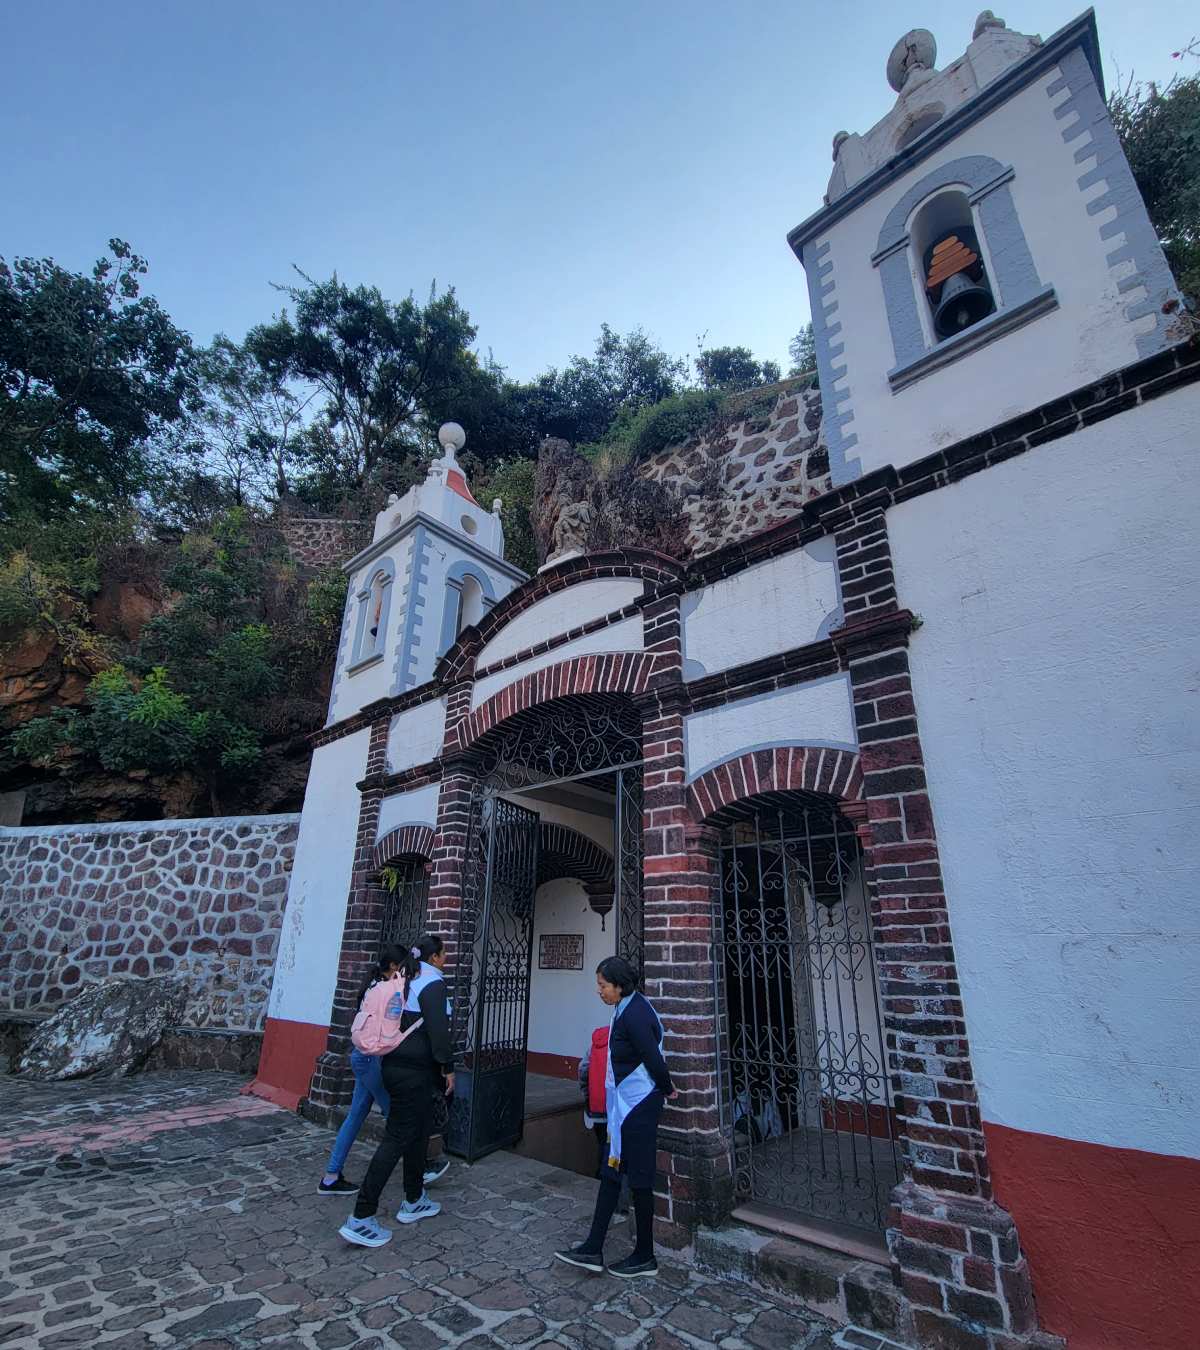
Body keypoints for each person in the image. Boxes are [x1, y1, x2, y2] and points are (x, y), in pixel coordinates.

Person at [556, 956, 675, 1278]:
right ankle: (593, 1247)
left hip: (639, 1104)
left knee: (639, 1178)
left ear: (619, 986)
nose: (599, 991)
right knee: (610, 1171)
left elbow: (652, 1055)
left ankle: (645, 1255)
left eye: (603, 985)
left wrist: (666, 1088)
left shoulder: (634, 1014)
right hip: (623, 1106)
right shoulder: (625, 1008)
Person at [338, 933, 455, 1248]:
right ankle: (361, 1216)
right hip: (415, 1073)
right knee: (396, 1138)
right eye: (444, 954)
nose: (446, 959)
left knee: (415, 1133)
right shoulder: (432, 985)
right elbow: (438, 1032)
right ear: (434, 957)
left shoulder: (403, 980)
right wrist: (448, 1066)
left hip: (394, 1065)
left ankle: (414, 1198)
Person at [317, 945, 405, 1195]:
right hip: (369, 1060)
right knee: (397, 1114)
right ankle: (421, 1165)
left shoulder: (375, 986)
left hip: (364, 1058)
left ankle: (331, 1176)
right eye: (404, 964)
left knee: (356, 1115)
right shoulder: (386, 989)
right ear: (393, 967)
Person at [579, 1023, 629, 1214]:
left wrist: (588, 1097)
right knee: (619, 1157)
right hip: (616, 1112)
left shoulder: (595, 1044)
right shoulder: (623, 1043)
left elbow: (583, 1070)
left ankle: (600, 1184)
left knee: (603, 1149)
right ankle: (621, 1202)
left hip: (596, 1110)